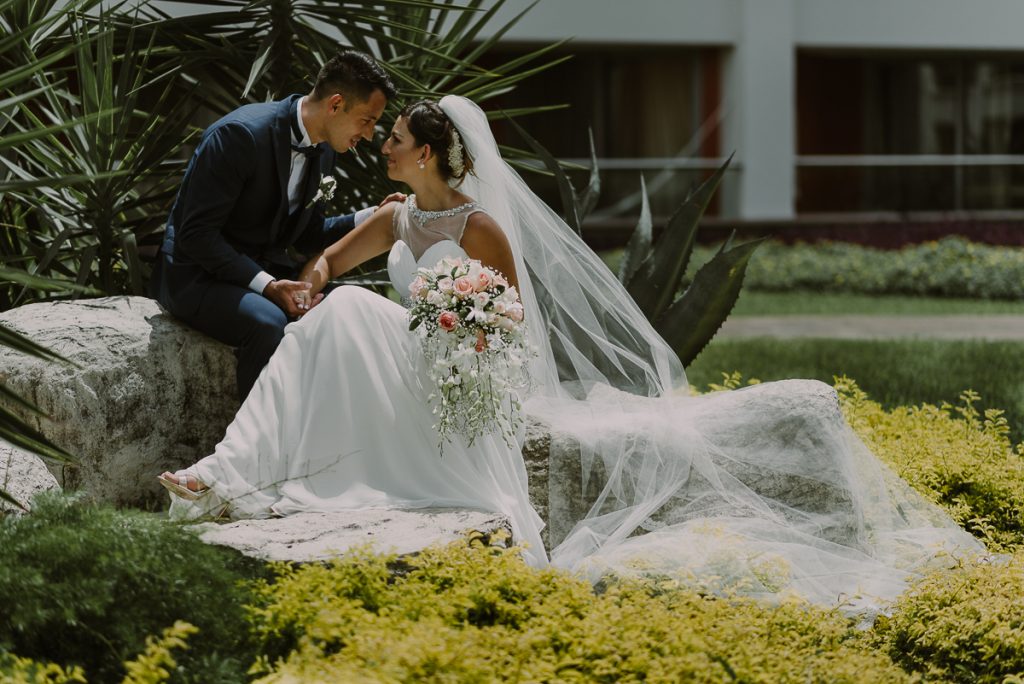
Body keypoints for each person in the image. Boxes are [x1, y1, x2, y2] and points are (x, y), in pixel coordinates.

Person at [159, 95, 984, 614]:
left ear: (427, 155)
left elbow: (510, 320)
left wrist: (456, 325)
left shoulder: (479, 226)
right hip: (413, 351)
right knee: (332, 315)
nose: (385, 148)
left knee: (343, 318)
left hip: (463, 367)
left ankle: (241, 469)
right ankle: (229, 470)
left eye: (396, 140)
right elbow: (332, 262)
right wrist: (306, 283)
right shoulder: (397, 215)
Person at [151, 50, 399, 400]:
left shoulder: (325, 149)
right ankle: (255, 432)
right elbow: (197, 236)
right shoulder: (240, 135)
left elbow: (309, 234)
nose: (371, 135)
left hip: (260, 269)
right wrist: (268, 286)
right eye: (367, 120)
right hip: (195, 274)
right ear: (336, 104)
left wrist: (371, 216)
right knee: (269, 323)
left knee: (344, 311)